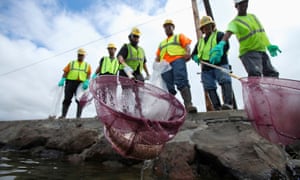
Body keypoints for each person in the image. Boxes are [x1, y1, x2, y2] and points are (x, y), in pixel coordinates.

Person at [210, 0, 281, 77]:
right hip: (249, 53)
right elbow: (228, 33)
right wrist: (221, 44)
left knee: (272, 74)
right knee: (255, 74)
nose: (244, 5)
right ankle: (255, 89)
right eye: (241, 4)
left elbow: (261, 32)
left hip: (261, 51)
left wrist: (268, 45)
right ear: (236, 6)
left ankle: (273, 88)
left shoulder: (253, 17)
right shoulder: (235, 22)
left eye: (245, 2)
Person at [192, 16, 234, 110]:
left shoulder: (219, 35)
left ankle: (228, 104)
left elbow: (225, 45)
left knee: (225, 81)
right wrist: (195, 57)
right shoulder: (200, 42)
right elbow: (194, 53)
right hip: (206, 67)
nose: (207, 28)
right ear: (202, 29)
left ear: (212, 26)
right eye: (204, 27)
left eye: (208, 26)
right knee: (209, 86)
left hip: (220, 63)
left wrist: (219, 54)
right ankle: (217, 107)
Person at [154, 19, 197, 113]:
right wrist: (156, 66)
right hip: (165, 65)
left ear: (173, 27)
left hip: (177, 60)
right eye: (166, 27)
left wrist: (187, 53)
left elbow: (187, 45)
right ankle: (172, 109)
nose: (167, 28)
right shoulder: (162, 43)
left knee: (181, 79)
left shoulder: (179, 36)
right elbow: (157, 56)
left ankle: (188, 104)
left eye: (169, 26)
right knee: (168, 86)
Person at [57, 48, 92, 119]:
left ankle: (78, 117)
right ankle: (63, 115)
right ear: (77, 55)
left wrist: (87, 81)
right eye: (79, 55)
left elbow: (88, 74)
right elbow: (65, 72)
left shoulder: (87, 65)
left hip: (81, 84)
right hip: (70, 82)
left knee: (79, 100)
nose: (80, 56)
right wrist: (63, 79)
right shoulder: (71, 63)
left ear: (84, 56)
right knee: (67, 99)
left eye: (82, 55)